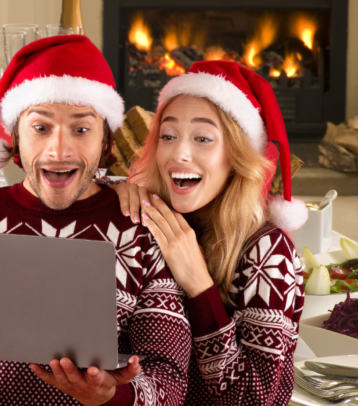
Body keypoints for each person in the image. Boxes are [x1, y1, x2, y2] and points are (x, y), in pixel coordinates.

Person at [0, 35, 192, 406]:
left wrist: (112, 396)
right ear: (16, 137)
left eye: (81, 129)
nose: (59, 149)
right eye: (40, 128)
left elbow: (170, 380)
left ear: (105, 142)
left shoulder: (140, 233)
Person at [112, 60, 307, 405]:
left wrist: (200, 287)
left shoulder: (268, 251)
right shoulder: (147, 217)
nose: (179, 153)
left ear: (237, 155)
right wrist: (113, 189)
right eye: (168, 136)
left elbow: (252, 399)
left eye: (203, 138)